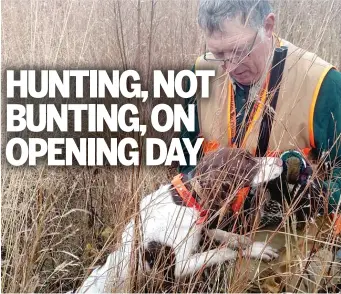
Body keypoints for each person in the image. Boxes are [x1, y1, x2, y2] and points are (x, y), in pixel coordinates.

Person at [179, 0, 341, 217]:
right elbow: (186, 158)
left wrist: (313, 194)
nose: (231, 67)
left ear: (268, 26)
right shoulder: (199, 74)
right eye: (219, 54)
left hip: (286, 236)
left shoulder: (323, 84)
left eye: (241, 51)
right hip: (210, 229)